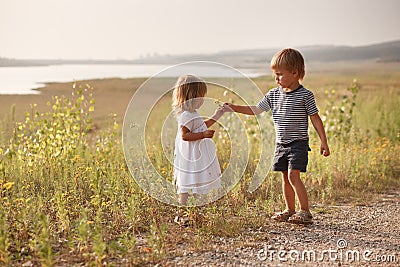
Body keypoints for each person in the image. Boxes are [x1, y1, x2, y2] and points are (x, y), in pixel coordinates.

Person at [223, 48, 330, 224]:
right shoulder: (273, 94)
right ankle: (290, 210)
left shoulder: (305, 95)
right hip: (281, 144)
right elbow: (256, 109)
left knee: (293, 176)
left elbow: (315, 118)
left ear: (295, 73)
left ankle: (305, 212)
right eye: (275, 74)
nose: (276, 79)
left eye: (279, 74)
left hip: (298, 143)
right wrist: (235, 108)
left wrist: (323, 141)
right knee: (284, 177)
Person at [172, 74, 225, 207]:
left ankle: (195, 208)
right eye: (201, 96)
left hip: (197, 154)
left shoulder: (194, 113)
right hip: (190, 156)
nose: (203, 100)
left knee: (197, 180)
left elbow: (201, 126)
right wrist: (203, 135)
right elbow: (185, 136)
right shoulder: (186, 116)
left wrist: (217, 115)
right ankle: (182, 210)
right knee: (187, 181)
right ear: (191, 97)